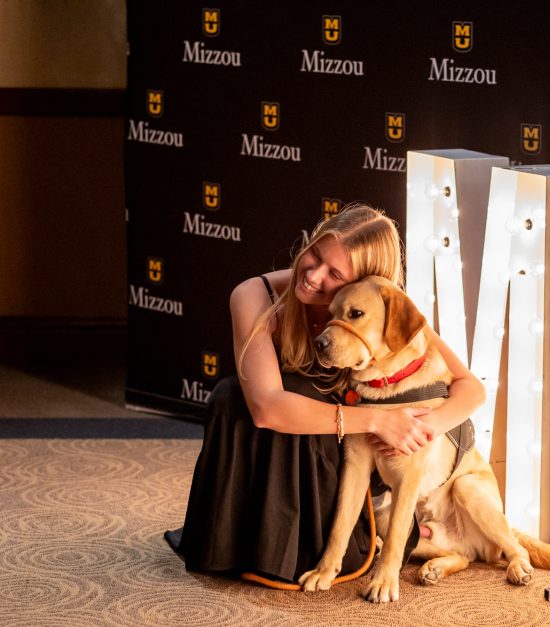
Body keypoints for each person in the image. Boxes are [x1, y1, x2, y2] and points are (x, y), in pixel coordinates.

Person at [166, 203, 485, 585]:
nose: (313, 275)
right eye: (315, 254)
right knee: (229, 396)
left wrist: (421, 429)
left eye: (335, 273)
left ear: (364, 282)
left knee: (302, 399)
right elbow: (267, 407)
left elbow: (471, 388)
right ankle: (236, 540)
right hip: (302, 430)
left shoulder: (379, 306)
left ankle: (321, 548)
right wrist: (376, 418)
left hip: (343, 461)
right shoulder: (255, 295)